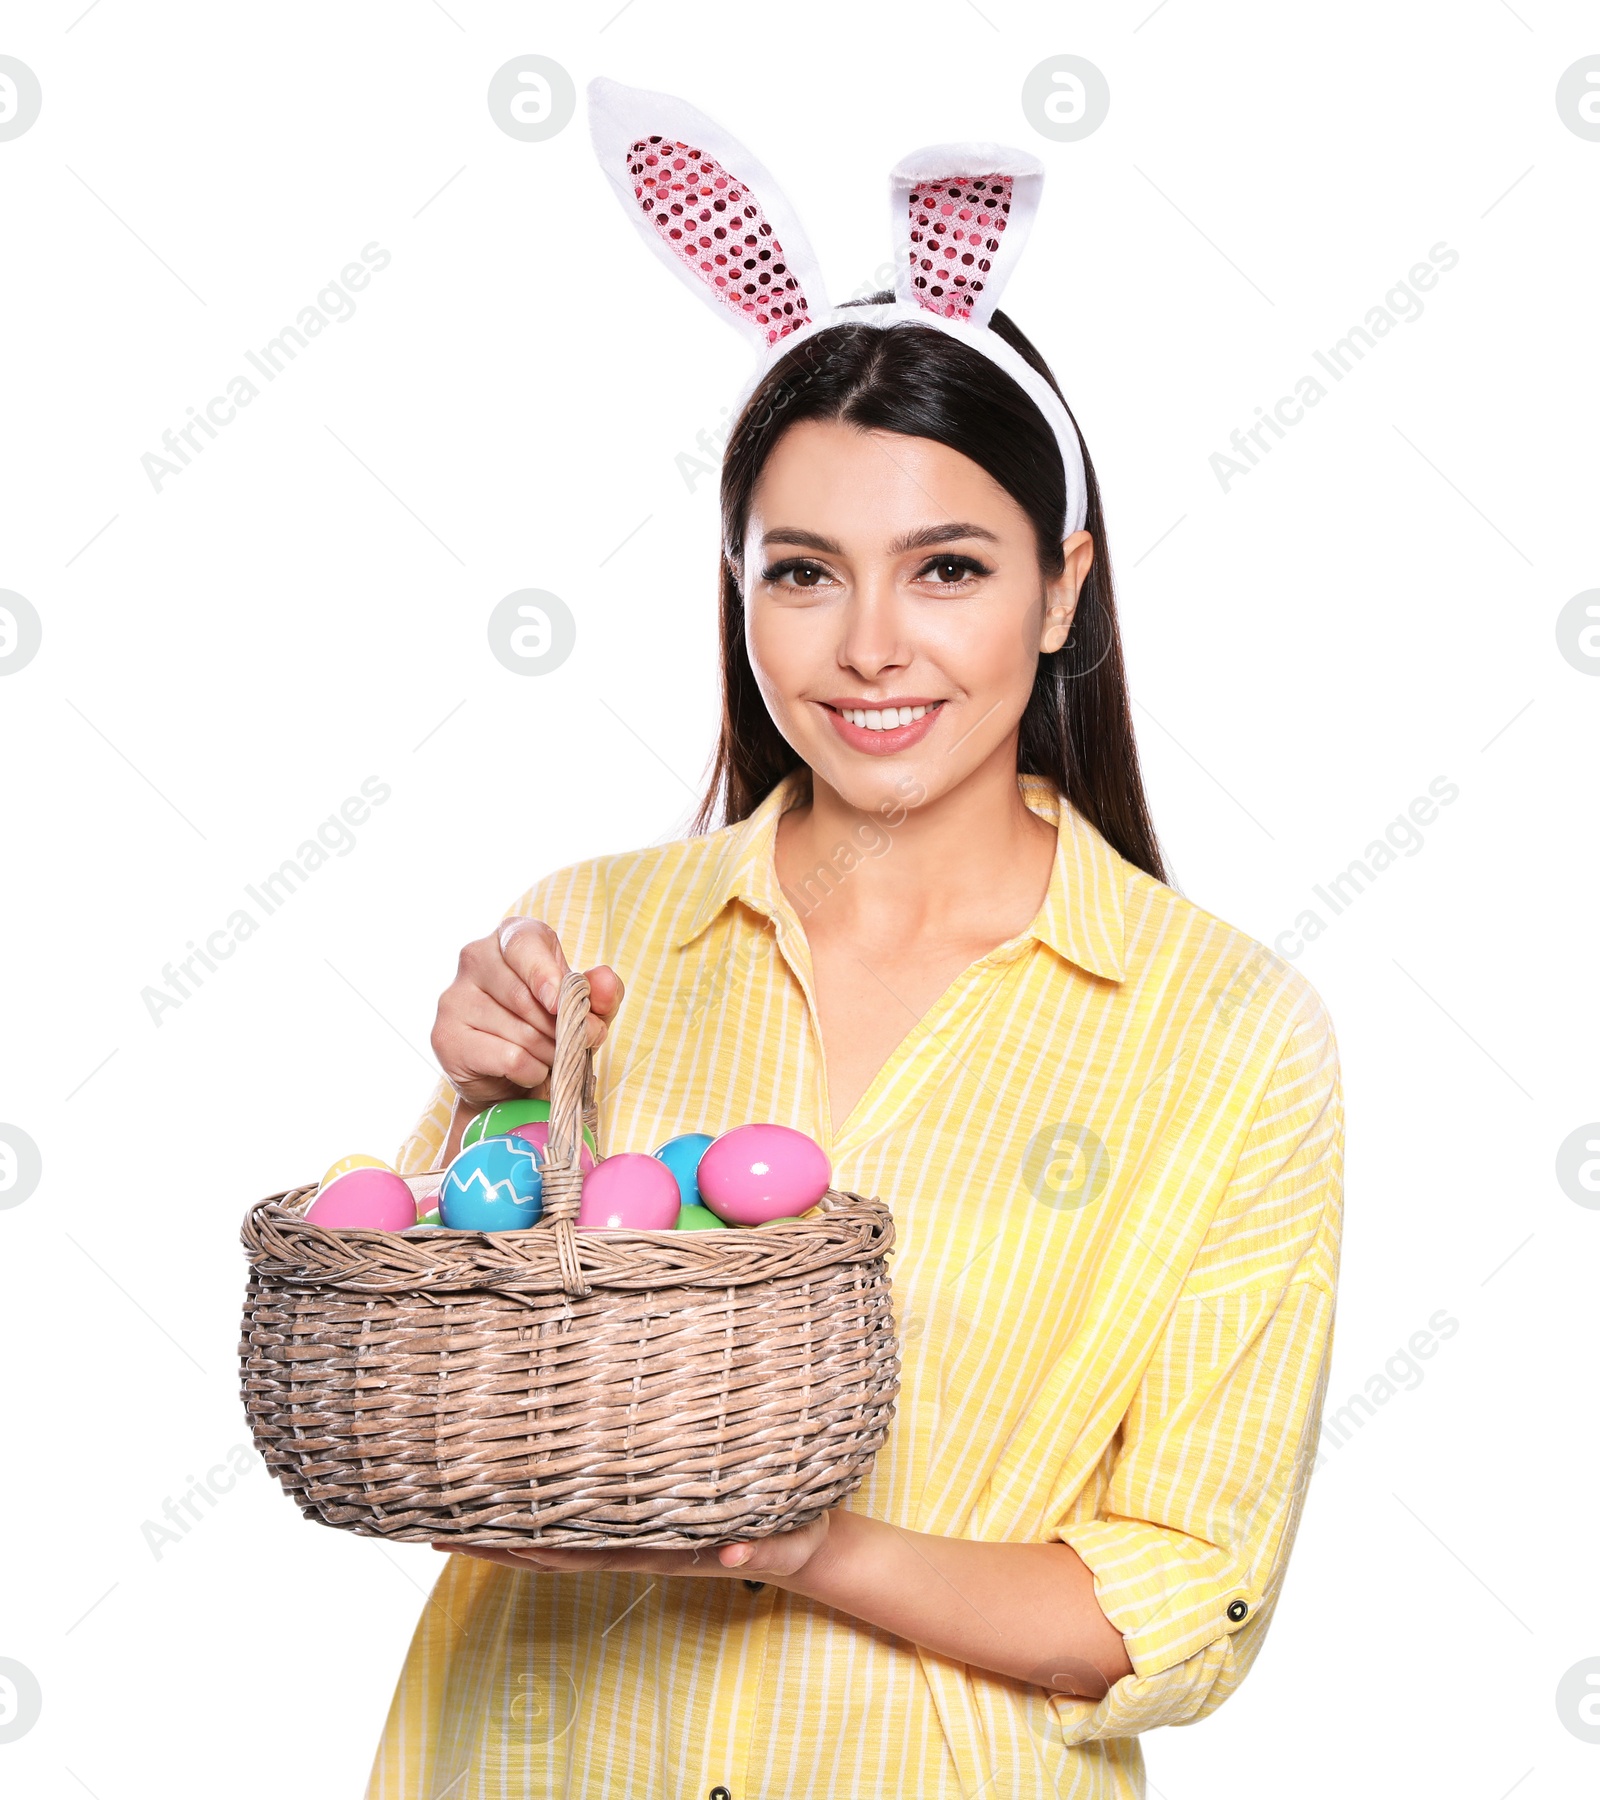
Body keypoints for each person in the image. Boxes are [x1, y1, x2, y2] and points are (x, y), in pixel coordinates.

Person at [365, 86, 1343, 1800]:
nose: (870, 648)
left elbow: (1185, 1597)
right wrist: (481, 1116)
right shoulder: (594, 932)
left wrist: (800, 1546)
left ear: (1060, 590)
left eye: (946, 569)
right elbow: (426, 1398)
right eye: (803, 573)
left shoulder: (1225, 1030)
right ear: (739, 592)